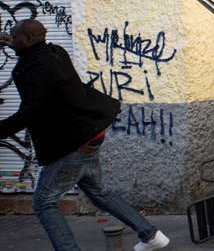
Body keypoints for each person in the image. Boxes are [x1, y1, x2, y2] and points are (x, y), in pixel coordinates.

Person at [0, 20, 170, 251]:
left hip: (71, 143)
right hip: (88, 135)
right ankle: (151, 236)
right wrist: (16, 46)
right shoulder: (54, 52)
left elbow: (29, 112)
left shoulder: (38, 66)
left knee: (43, 203)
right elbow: (35, 58)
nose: (11, 39)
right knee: (99, 193)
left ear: (29, 39)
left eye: (15, 37)